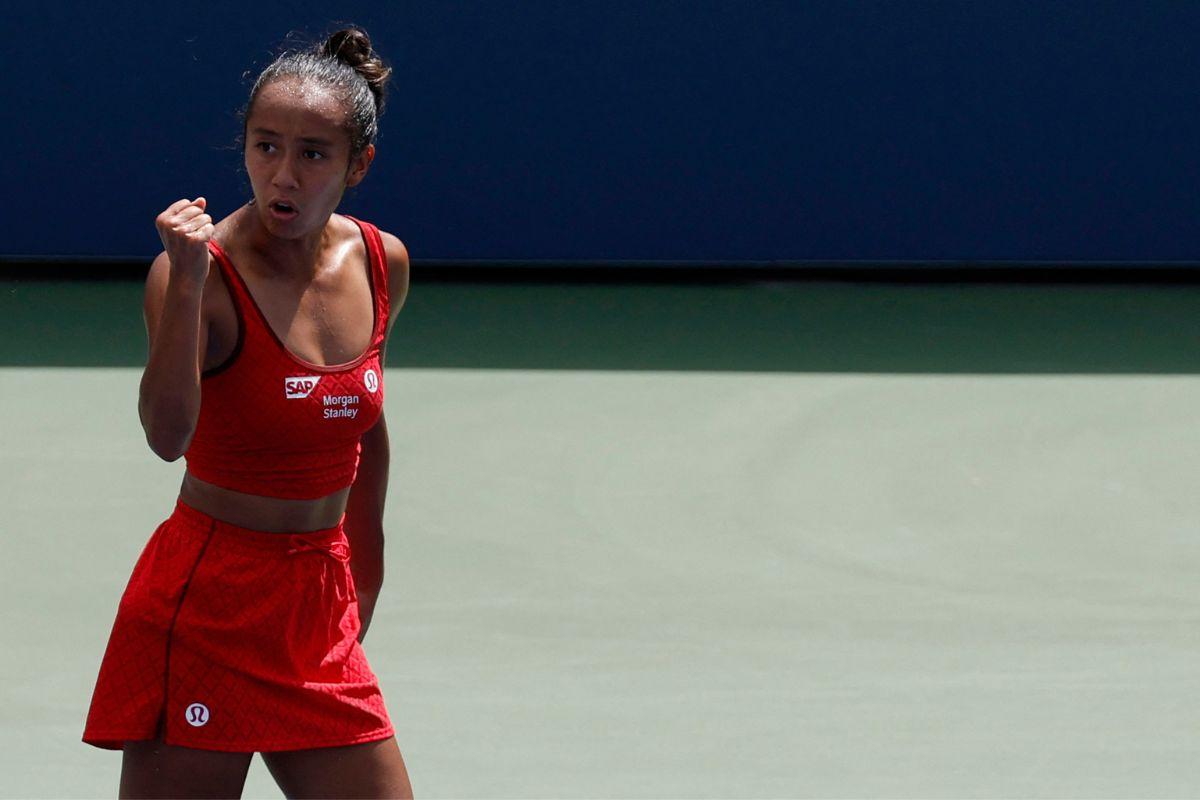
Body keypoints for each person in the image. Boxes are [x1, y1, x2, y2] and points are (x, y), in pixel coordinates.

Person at [81, 27, 414, 798]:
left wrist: (364, 575)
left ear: (358, 165)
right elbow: (168, 437)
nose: (282, 174)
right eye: (266, 147)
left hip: (317, 605)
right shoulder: (195, 274)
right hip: (208, 607)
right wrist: (189, 283)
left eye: (312, 154)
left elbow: (366, 427)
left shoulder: (381, 261)